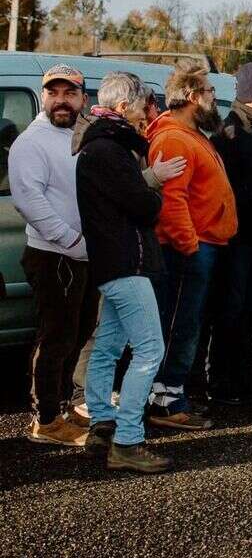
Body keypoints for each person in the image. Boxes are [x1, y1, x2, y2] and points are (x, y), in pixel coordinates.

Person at [77, 72, 172, 473]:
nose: (144, 114)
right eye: (140, 106)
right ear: (122, 108)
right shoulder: (110, 151)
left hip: (112, 263)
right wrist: (154, 188)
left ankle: (102, 419)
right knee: (150, 349)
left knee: (110, 346)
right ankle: (128, 439)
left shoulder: (98, 148)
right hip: (125, 262)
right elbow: (144, 207)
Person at [11, 65, 100, 445]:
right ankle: (46, 421)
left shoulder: (80, 136)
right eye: (53, 93)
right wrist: (70, 240)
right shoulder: (32, 142)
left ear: (83, 99)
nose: (61, 100)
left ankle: (61, 410)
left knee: (75, 336)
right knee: (55, 338)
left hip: (79, 256)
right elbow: (29, 201)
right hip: (54, 256)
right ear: (43, 97)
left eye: (70, 93)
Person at [146, 62, 238, 430]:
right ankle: (165, 402)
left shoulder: (193, 134)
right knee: (179, 325)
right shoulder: (174, 138)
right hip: (188, 249)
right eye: (211, 94)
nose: (215, 102)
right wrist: (190, 246)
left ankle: (170, 394)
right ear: (191, 98)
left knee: (187, 323)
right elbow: (172, 200)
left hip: (203, 245)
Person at [207, 63, 252, 406]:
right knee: (231, 308)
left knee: (248, 308)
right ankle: (222, 381)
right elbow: (228, 190)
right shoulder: (232, 134)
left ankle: (240, 374)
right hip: (238, 240)